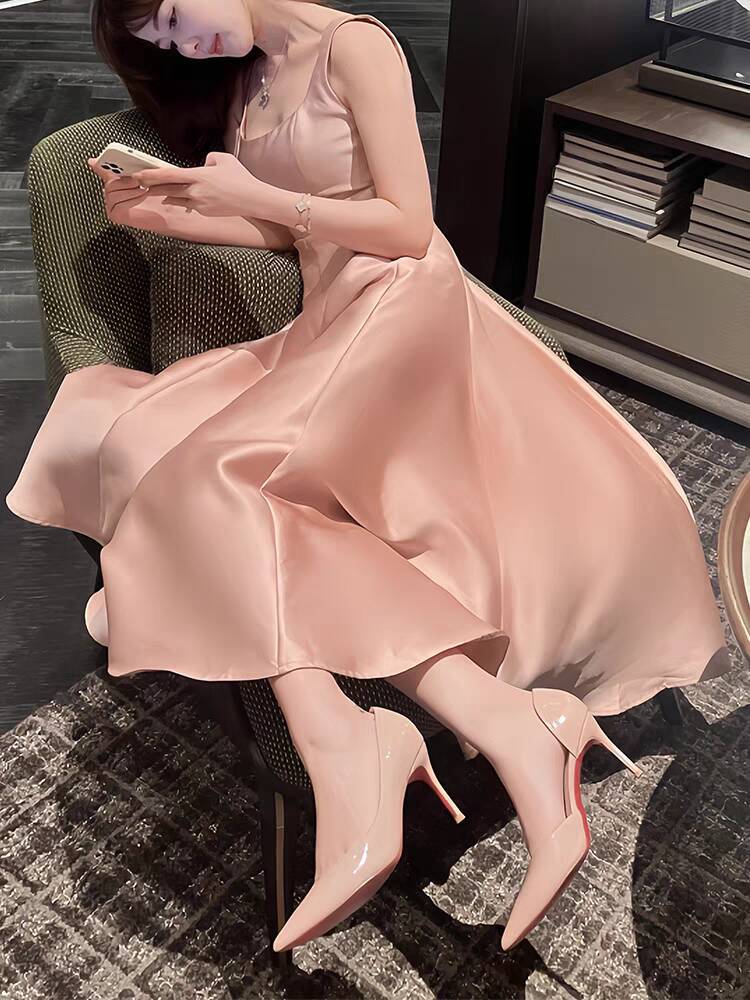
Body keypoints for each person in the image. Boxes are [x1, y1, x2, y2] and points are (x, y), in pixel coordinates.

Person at [6, 0, 731, 955]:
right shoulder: (248, 80)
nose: (184, 46)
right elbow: (301, 242)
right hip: (325, 315)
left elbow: (405, 225)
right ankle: (494, 726)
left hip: (400, 307)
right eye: (165, 44)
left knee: (202, 475)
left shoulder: (357, 45)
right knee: (154, 446)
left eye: (176, 18)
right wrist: (180, 214)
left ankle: (355, 745)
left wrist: (251, 194)